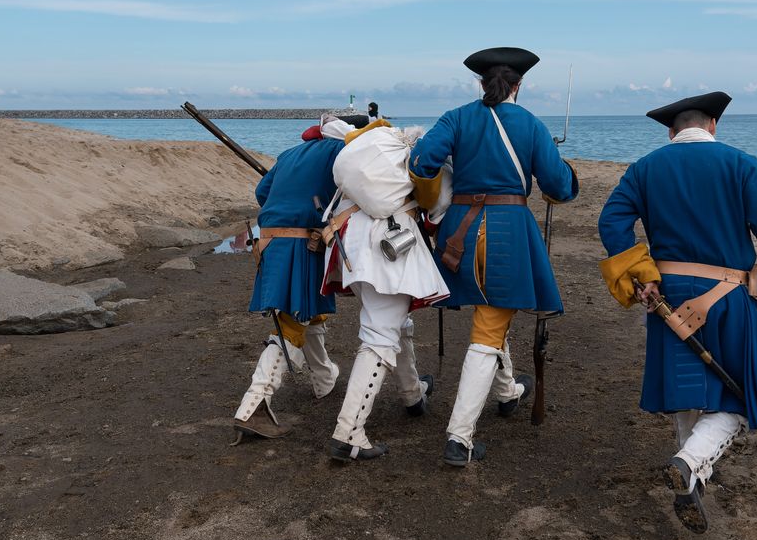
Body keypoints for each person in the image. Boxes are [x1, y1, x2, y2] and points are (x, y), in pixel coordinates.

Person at [596, 92, 757, 532]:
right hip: (727, 296)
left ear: (673, 132)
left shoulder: (645, 167)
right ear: (713, 125)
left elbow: (611, 222)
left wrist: (641, 272)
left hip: (667, 297)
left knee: (686, 389)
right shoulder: (741, 164)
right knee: (746, 396)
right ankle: (690, 462)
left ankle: (690, 475)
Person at [409, 47, 578, 466]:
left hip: (458, 234)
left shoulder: (456, 117)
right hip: (506, 234)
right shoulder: (531, 123)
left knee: (491, 316)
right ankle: (459, 437)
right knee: (488, 327)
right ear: (519, 85)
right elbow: (557, 186)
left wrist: (433, 198)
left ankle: (507, 392)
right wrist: (568, 176)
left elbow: (422, 162)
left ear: (481, 84)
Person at [231, 113, 370, 441]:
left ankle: (324, 379)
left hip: (271, 240)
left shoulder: (291, 153)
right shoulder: (343, 151)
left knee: (307, 310)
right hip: (302, 243)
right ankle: (254, 402)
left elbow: (262, 191)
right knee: (293, 320)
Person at [321, 118, 449, 461]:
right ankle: (349, 432)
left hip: (351, 241)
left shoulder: (377, 150)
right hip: (388, 246)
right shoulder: (421, 160)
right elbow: (437, 212)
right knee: (380, 335)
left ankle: (412, 394)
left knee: (393, 325)